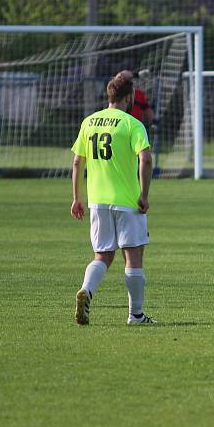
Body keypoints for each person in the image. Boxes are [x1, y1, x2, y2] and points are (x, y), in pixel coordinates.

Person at [71, 70, 156, 325]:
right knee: (133, 256)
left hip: (97, 200)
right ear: (129, 97)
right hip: (127, 201)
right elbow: (146, 158)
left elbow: (77, 162)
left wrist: (77, 198)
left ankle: (87, 290)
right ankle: (136, 315)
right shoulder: (132, 124)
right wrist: (144, 194)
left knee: (103, 255)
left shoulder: (89, 122)